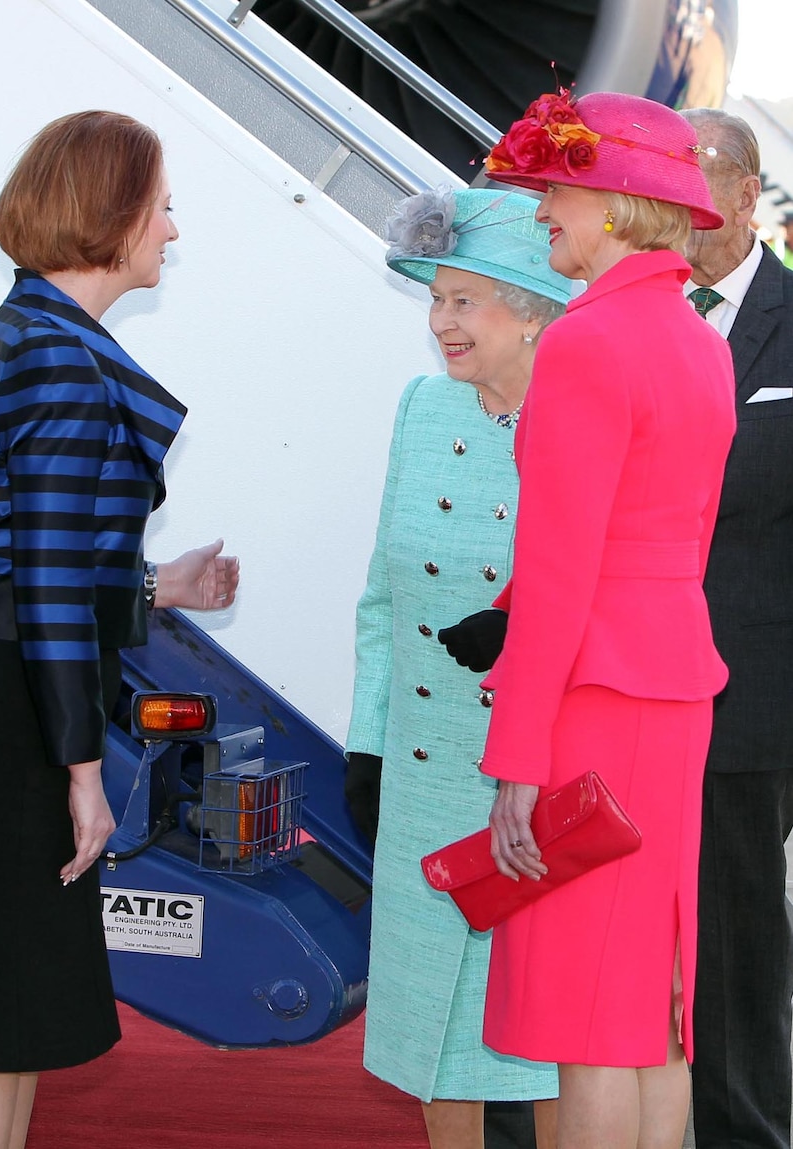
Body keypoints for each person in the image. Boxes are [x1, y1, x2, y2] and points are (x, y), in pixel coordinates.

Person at [0, 110, 239, 1149]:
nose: (172, 232)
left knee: (3, 1002)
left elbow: (22, 558)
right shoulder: (57, 357)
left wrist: (153, 591)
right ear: (109, 216)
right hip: (5, 712)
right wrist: (81, 771)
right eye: (161, 208)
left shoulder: (31, 335)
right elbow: (44, 585)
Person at [441, 89, 737, 1149]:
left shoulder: (586, 343)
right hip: (670, 691)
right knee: (648, 1008)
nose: (542, 214)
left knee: (587, 1023)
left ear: (615, 203)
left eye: (557, 191)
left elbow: (559, 572)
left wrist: (515, 756)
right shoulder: (699, 341)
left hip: (592, 702)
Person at [344, 187, 570, 1149]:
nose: (441, 321)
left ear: (530, 310)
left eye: (465, 300)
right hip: (426, 770)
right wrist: (368, 742)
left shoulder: (582, 415)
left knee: (554, 1039)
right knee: (428, 1030)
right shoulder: (423, 406)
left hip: (533, 780)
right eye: (437, 297)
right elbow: (383, 602)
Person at [679, 106, 793, 1149]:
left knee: (736, 944)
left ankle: (742, 1132)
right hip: (628, 683)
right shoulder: (625, 314)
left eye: (693, 172)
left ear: (746, 192)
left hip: (752, 697)